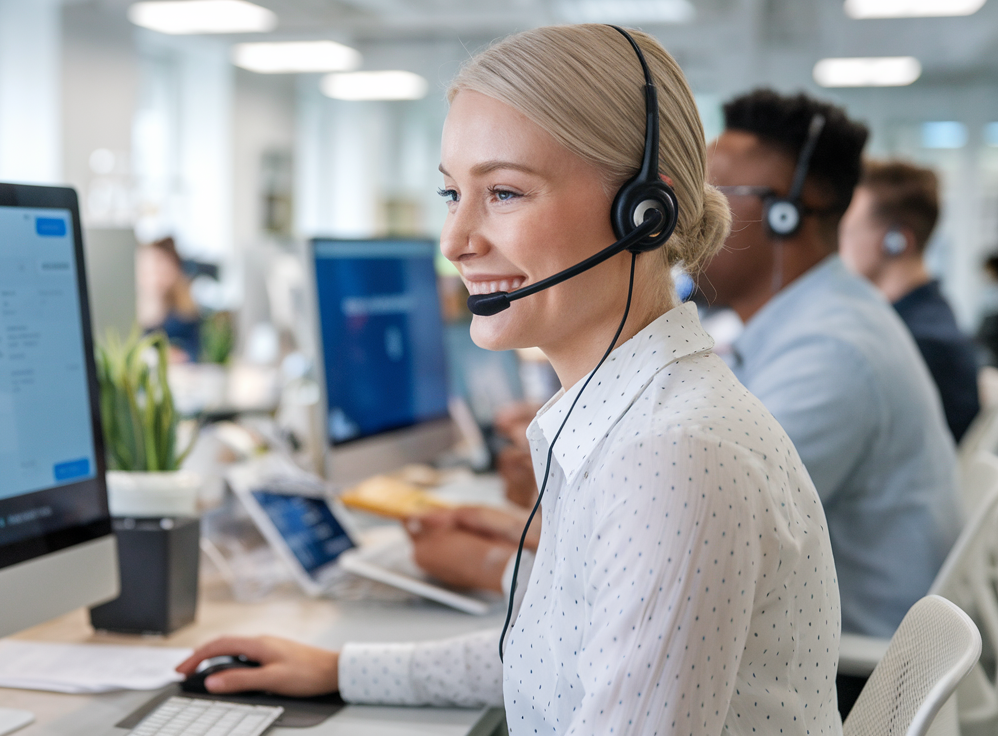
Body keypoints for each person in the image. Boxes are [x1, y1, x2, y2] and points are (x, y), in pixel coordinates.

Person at [177, 26, 842, 733]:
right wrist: (341, 670)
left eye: (503, 192)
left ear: (645, 213)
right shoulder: (623, 417)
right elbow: (555, 651)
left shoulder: (673, 456)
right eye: (450, 193)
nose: (456, 241)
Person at [699, 89, 961, 713]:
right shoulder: (815, 321)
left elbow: (707, 540)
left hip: (851, 678)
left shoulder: (833, 352)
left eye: (712, 197)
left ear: (791, 213)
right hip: (828, 645)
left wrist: (504, 554)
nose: (687, 222)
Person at [840, 159, 980, 443]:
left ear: (897, 241)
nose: (839, 246)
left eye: (847, 231)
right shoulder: (920, 318)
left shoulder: (920, 340)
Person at [136, 236, 201, 361]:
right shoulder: (139, 310)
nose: (154, 274)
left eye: (159, 266)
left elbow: (194, 353)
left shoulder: (185, 314)